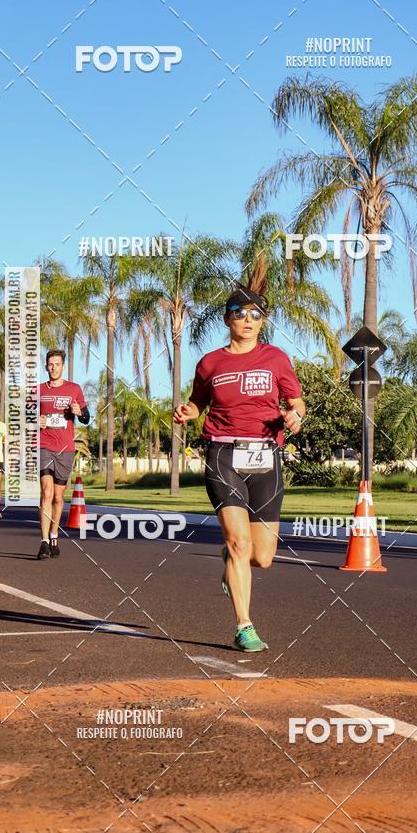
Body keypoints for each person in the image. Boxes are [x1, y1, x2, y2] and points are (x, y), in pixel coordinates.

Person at [173, 256, 305, 652]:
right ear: (227, 318)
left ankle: (231, 564)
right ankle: (244, 625)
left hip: (267, 458)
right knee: (238, 542)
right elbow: (198, 403)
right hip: (223, 456)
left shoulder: (276, 358)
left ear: (262, 320)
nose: (247, 320)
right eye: (239, 313)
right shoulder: (210, 363)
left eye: (255, 314)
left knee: (261, 557)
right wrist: (187, 410)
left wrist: (294, 416)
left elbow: (296, 401)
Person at [37, 349, 90, 560]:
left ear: (62, 366)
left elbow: (86, 418)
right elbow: (24, 417)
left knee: (59, 497)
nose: (53, 368)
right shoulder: (38, 390)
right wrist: (35, 421)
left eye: (57, 364)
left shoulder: (74, 389)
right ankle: (43, 543)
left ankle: (53, 535)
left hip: (65, 448)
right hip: (44, 445)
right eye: (50, 364)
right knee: (47, 493)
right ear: (46, 366)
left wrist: (80, 413)